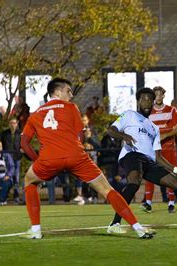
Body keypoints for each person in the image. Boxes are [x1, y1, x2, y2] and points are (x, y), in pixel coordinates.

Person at [20, 77, 153, 239]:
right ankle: (138, 228)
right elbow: (80, 134)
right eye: (68, 91)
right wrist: (75, 152)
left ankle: (35, 230)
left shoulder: (34, 115)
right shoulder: (70, 107)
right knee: (107, 189)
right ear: (57, 91)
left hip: (49, 159)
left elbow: (24, 144)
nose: (71, 94)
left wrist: (38, 163)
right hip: (77, 156)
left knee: (29, 181)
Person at [106, 87, 177, 234]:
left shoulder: (154, 128)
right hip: (132, 155)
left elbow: (158, 157)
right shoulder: (129, 115)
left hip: (148, 161)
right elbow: (111, 130)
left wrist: (176, 170)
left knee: (176, 182)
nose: (147, 102)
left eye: (150, 100)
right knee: (134, 182)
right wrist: (124, 137)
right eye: (144, 99)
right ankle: (115, 223)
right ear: (138, 101)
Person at [142, 86, 177, 213]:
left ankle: (171, 203)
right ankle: (148, 203)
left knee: (171, 174)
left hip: (169, 148)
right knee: (149, 174)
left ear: (164, 96)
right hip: (153, 149)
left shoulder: (172, 110)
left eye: (160, 94)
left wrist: (163, 136)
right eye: (156, 94)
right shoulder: (148, 112)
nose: (158, 97)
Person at [0, 117, 22, 204]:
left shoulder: (20, 134)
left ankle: (16, 197)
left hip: (17, 159)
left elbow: (22, 145)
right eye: (11, 123)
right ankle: (5, 196)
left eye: (14, 123)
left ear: (17, 124)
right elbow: (1, 145)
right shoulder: (4, 134)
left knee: (16, 178)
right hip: (6, 159)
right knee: (7, 177)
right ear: (9, 124)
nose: (12, 125)